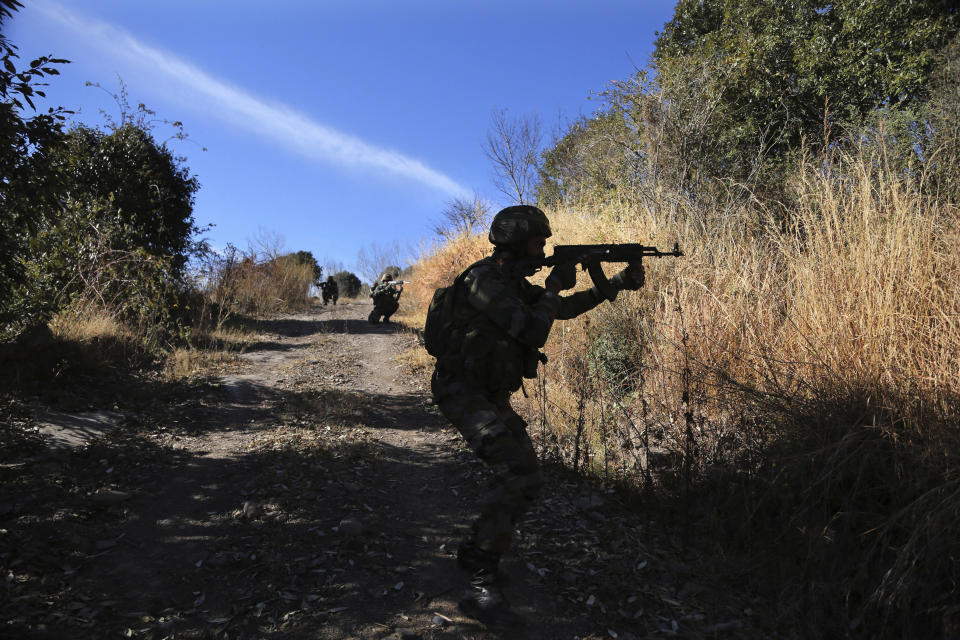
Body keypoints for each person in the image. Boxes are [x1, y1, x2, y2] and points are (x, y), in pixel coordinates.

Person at [430, 205, 645, 627]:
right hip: (462, 390)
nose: (544, 246)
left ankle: (477, 551)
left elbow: (559, 311)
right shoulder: (483, 281)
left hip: (489, 393)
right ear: (515, 240)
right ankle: (479, 578)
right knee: (514, 472)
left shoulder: (511, 280)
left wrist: (615, 282)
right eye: (538, 241)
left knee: (528, 474)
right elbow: (532, 329)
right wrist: (550, 288)